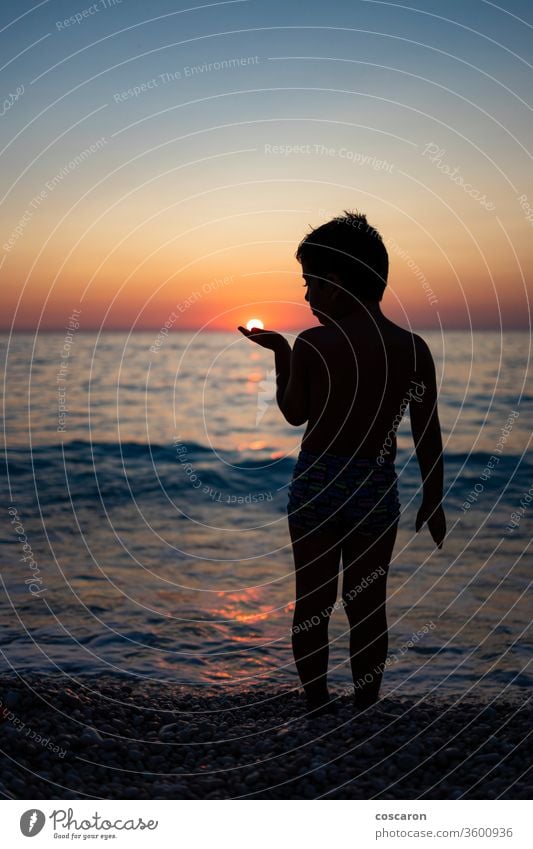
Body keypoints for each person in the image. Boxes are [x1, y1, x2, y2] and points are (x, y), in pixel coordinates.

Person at [238, 210, 446, 715]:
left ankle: (316, 706)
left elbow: (294, 414)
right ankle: (366, 707)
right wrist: (434, 500)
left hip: (318, 482)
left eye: (311, 285)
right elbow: (427, 434)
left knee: (313, 603)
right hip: (374, 485)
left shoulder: (314, 344)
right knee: (367, 606)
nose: (307, 298)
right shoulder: (412, 349)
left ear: (334, 283)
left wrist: (281, 352)